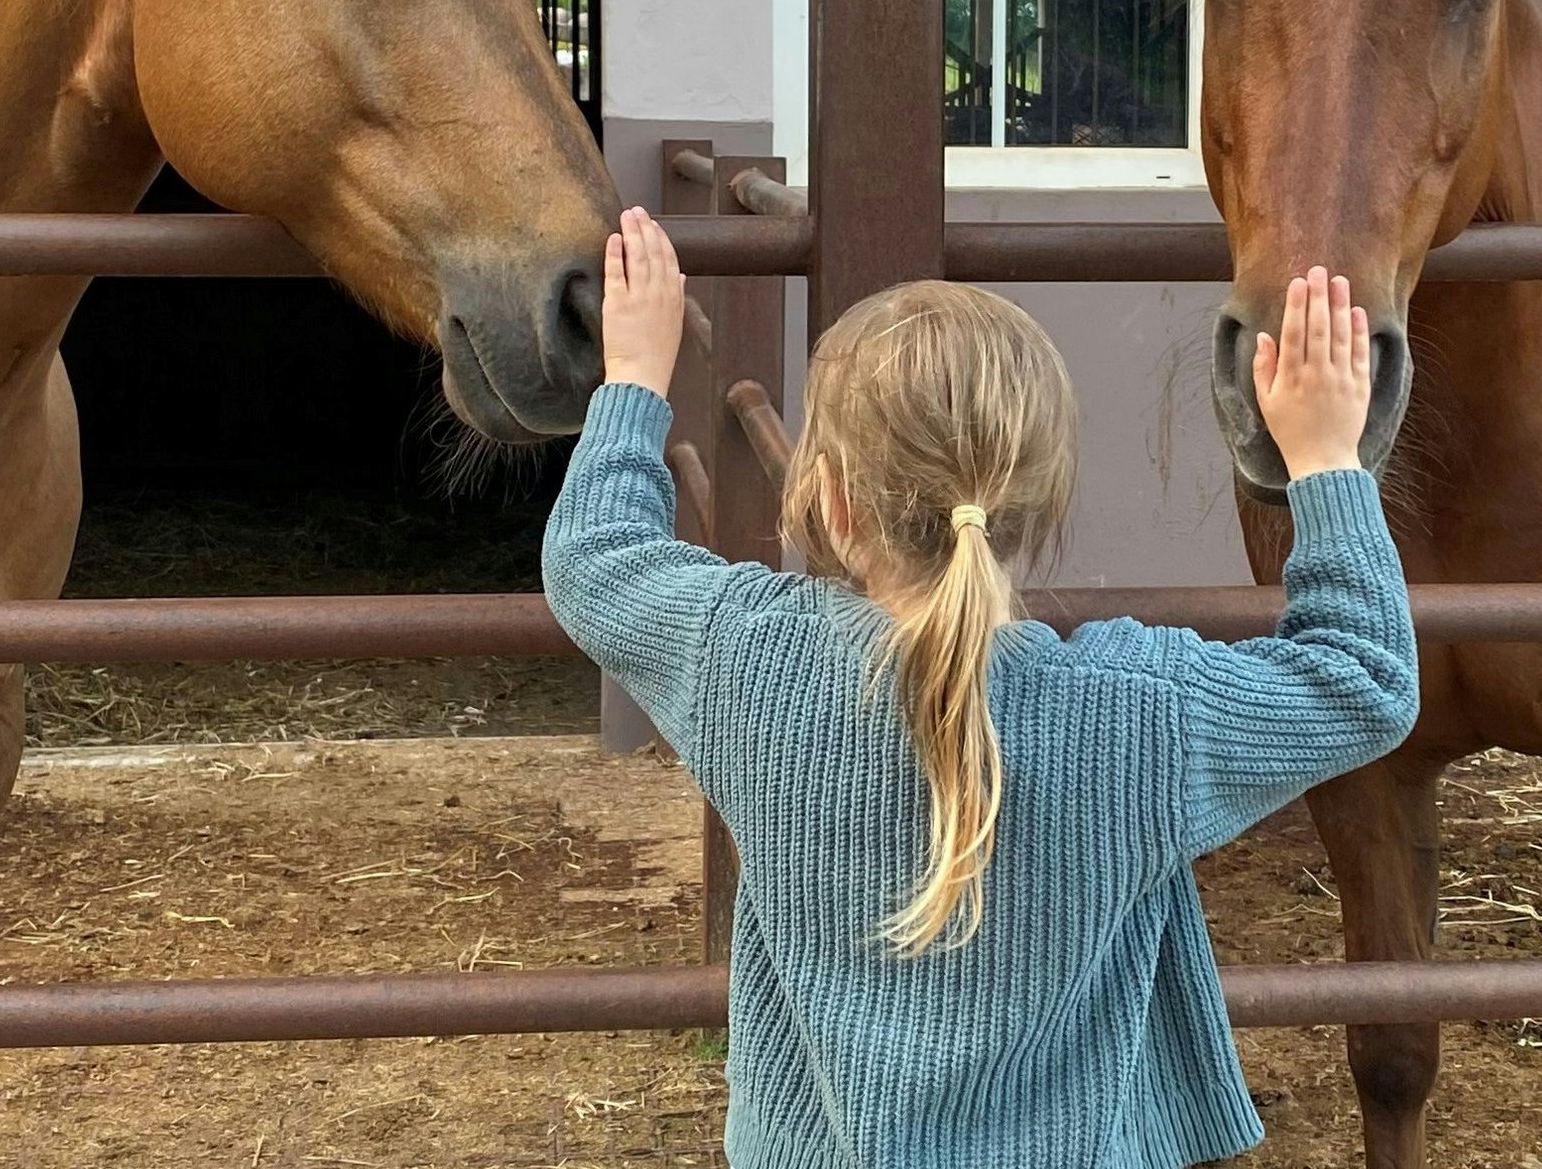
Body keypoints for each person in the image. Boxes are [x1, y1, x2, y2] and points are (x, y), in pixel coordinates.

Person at [543, 207, 1417, 1168]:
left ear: (831, 501)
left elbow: (595, 559)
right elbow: (1365, 676)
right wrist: (1327, 462)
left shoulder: (749, 663)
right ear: (1043, 505)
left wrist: (633, 379)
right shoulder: (1138, 713)